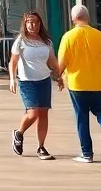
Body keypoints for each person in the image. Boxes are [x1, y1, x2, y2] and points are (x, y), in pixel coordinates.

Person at [57, 4, 101, 164]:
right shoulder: (99, 35)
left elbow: (62, 62)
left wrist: (58, 77)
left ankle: (87, 153)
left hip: (77, 84)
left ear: (73, 18)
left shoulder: (68, 37)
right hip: (98, 83)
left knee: (81, 118)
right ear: (88, 18)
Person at [9, 11, 63, 161]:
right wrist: (12, 79)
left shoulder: (46, 42)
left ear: (40, 24)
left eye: (36, 22)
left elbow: (52, 61)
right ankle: (19, 133)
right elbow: (13, 62)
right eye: (29, 22)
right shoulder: (21, 41)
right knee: (33, 113)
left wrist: (60, 75)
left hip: (44, 80)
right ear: (25, 25)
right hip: (27, 81)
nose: (33, 25)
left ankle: (41, 147)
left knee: (43, 113)